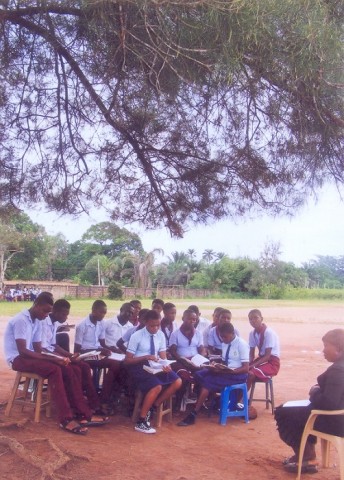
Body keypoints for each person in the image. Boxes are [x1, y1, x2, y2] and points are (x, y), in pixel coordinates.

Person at [4, 292, 88, 434]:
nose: (46, 315)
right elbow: (23, 351)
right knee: (55, 369)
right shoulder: (21, 320)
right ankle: (65, 419)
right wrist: (53, 359)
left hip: (30, 356)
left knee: (64, 367)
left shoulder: (37, 321)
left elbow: (39, 349)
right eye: (44, 311)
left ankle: (79, 410)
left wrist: (59, 359)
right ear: (36, 305)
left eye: (48, 312)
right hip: (17, 359)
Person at [275, 329, 344, 474]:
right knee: (292, 411)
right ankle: (307, 454)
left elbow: (329, 403)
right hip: (338, 416)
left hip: (334, 421)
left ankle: (307, 457)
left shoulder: (338, 370)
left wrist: (314, 392)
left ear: (338, 348)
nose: (323, 350)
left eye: (326, 346)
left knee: (283, 412)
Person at [41, 299, 106, 425]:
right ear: (54, 311)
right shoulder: (44, 323)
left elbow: (54, 345)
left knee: (84, 367)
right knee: (72, 370)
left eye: (67, 314)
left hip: (51, 353)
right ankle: (81, 411)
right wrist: (61, 358)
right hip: (45, 356)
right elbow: (43, 349)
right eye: (64, 314)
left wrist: (70, 355)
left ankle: (92, 405)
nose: (66, 317)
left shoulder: (54, 324)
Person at [177, 322, 250, 426]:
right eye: (221, 337)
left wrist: (229, 371)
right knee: (199, 374)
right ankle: (210, 401)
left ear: (232, 333)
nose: (223, 339)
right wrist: (216, 365)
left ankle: (194, 412)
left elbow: (245, 369)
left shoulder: (242, 344)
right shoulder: (225, 343)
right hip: (226, 372)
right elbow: (225, 361)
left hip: (237, 375)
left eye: (225, 337)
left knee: (207, 383)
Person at [124, 309, 182, 434]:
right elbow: (128, 360)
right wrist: (145, 357)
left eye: (158, 325)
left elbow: (162, 356)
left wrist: (166, 365)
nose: (155, 328)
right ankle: (141, 421)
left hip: (154, 365)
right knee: (157, 386)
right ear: (145, 323)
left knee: (177, 381)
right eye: (152, 325)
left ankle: (153, 407)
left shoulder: (160, 335)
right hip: (139, 366)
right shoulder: (137, 336)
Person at [74, 300, 122, 415]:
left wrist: (110, 349)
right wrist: (99, 350)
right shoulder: (82, 326)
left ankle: (106, 395)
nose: (103, 315)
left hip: (97, 353)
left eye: (104, 313)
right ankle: (103, 399)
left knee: (118, 364)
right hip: (85, 355)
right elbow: (77, 350)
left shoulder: (101, 323)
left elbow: (102, 343)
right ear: (94, 311)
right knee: (114, 364)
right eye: (101, 312)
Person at [169, 309, 207, 410]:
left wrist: (200, 359)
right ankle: (178, 403)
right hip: (180, 361)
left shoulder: (198, 333)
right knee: (183, 376)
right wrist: (183, 360)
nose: (192, 321)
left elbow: (201, 349)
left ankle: (199, 402)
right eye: (189, 319)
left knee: (205, 373)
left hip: (195, 360)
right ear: (183, 319)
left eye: (194, 319)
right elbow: (172, 351)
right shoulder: (175, 334)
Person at [247, 309, 280, 391]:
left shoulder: (268, 332)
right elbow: (251, 354)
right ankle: (236, 397)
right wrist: (247, 364)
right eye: (250, 319)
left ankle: (240, 399)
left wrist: (252, 366)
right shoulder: (252, 334)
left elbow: (267, 356)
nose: (253, 321)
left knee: (250, 374)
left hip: (272, 363)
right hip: (262, 360)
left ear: (261, 318)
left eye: (256, 318)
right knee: (242, 371)